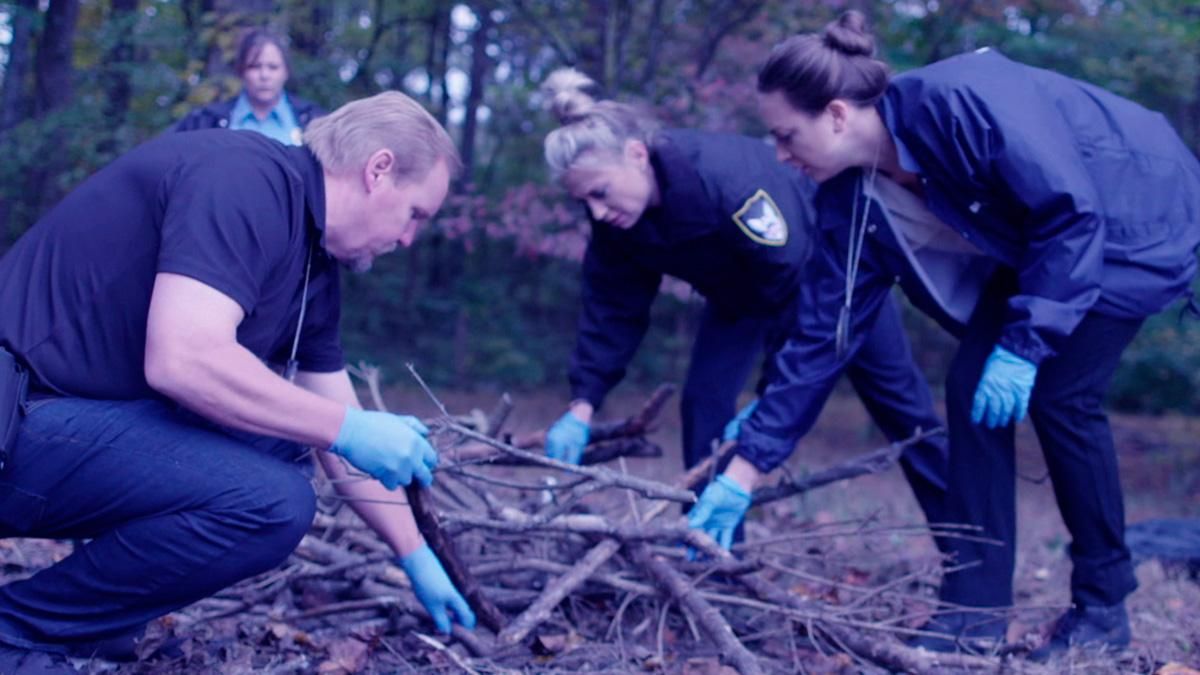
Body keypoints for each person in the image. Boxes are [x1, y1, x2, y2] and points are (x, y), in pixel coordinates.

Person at [724, 9, 1200, 658]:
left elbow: (1070, 214)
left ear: (836, 115)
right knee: (972, 389)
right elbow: (824, 334)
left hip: (1133, 217)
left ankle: (1104, 607)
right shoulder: (847, 196)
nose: (778, 153)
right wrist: (748, 463)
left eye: (786, 135)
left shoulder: (959, 103)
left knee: (1062, 398)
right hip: (1043, 244)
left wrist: (1027, 346)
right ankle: (972, 616)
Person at [0, 91, 476, 672]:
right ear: (378, 170)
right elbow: (183, 358)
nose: (408, 240)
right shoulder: (243, 180)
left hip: (57, 427)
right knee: (273, 501)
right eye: (415, 215)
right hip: (16, 411)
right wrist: (347, 428)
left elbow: (341, 440)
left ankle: (81, 632)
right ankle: (17, 634)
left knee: (281, 441)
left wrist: (416, 556)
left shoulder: (313, 265)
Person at [538, 69, 949, 550]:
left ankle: (969, 549)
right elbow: (611, 310)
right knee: (704, 403)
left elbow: (796, 283)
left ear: (636, 154)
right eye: (582, 200)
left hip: (835, 285)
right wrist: (582, 405)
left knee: (903, 410)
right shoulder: (616, 225)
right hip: (741, 297)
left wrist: (772, 393)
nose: (596, 212)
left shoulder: (730, 183)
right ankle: (709, 544)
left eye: (600, 193)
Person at [174, 29, 324, 145]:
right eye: (255, 66)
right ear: (241, 71)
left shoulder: (313, 119)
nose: (264, 75)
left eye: (273, 67)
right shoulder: (206, 121)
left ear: (286, 72)